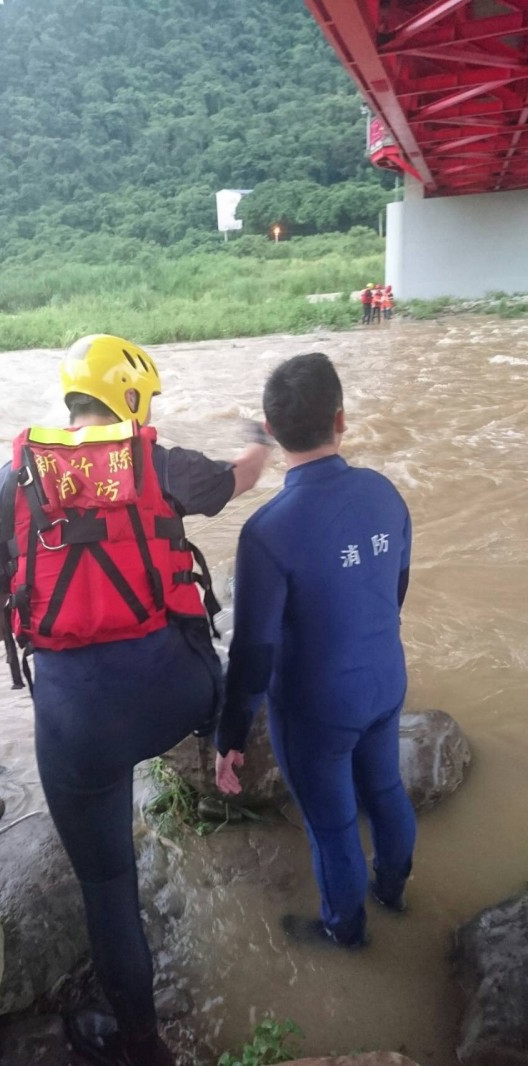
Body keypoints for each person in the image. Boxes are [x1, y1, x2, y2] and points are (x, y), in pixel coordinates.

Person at [0, 334, 272, 1066]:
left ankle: (141, 1043)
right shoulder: (159, 462)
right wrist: (258, 439)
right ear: (131, 401)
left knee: (106, 884)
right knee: (203, 660)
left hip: (80, 724)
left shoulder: (14, 481)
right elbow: (241, 477)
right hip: (180, 695)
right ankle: (218, 748)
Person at [215, 352, 416, 950]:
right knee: (385, 791)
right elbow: (395, 590)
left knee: (332, 829)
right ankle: (396, 895)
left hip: (317, 707)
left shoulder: (268, 531)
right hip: (385, 679)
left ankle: (345, 932)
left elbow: (253, 654)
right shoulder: (385, 493)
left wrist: (230, 737)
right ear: (342, 420)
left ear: (271, 433)